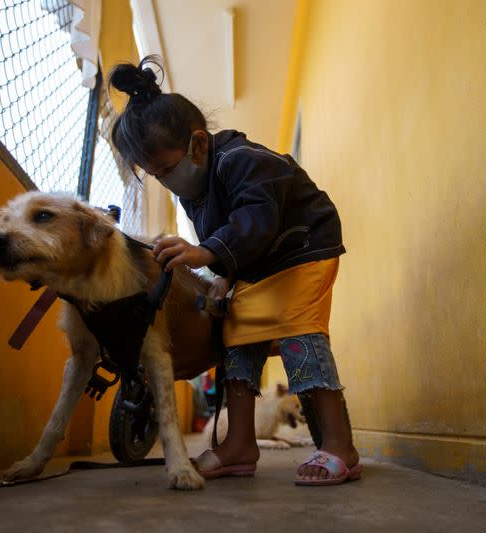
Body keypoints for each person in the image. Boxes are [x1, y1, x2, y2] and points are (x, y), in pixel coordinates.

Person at [108, 56, 360, 486]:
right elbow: (229, 244)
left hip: (304, 249)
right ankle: (240, 444)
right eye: (156, 176)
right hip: (262, 263)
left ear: (199, 145)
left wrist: (205, 253)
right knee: (234, 337)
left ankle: (340, 446)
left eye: (167, 169)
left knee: (300, 334)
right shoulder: (195, 190)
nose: (166, 181)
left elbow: (255, 221)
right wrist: (222, 274)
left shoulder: (243, 160)